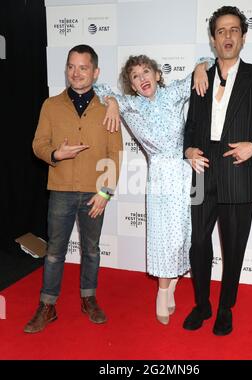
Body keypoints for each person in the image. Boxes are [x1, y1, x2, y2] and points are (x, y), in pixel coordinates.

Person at [183, 6, 252, 335]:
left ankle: (226, 307)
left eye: (233, 30)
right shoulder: (200, 75)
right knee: (198, 241)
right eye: (220, 31)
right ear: (213, 41)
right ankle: (202, 304)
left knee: (234, 247)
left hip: (238, 169)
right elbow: (191, 124)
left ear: (242, 38)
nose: (227, 36)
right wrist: (187, 149)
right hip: (202, 169)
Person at [94, 55, 213, 325]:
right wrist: (112, 102)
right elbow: (100, 89)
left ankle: (170, 288)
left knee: (188, 236)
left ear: (157, 75)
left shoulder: (173, 94)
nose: (142, 78)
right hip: (159, 176)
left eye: (146, 72)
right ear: (132, 85)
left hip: (188, 171)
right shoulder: (131, 106)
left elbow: (207, 61)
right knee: (164, 238)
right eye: (135, 76)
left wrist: (200, 66)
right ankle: (162, 292)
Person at [24, 44, 123, 333]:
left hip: (95, 194)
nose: (76, 73)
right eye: (71, 66)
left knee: (91, 250)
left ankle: (89, 298)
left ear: (95, 72)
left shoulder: (108, 108)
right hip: (61, 190)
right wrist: (56, 154)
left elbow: (115, 154)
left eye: (83, 67)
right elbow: (38, 144)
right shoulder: (51, 105)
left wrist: (105, 192)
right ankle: (47, 305)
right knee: (55, 251)